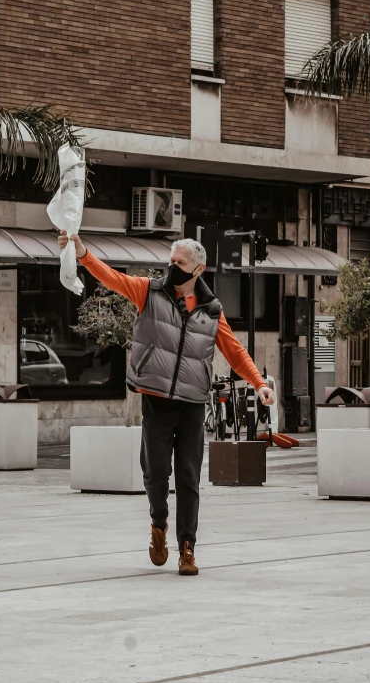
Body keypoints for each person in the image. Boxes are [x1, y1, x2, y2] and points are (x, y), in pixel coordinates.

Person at [58, 231, 276, 576]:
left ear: (198, 269)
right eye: (171, 261)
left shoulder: (211, 310)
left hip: (192, 404)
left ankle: (187, 549)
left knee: (189, 477)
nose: (172, 267)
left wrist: (260, 384)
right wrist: (82, 252)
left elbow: (234, 352)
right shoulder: (150, 292)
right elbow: (112, 278)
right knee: (156, 472)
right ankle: (158, 525)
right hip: (157, 400)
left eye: (180, 263)